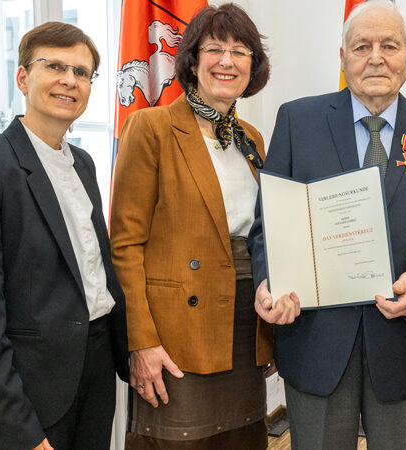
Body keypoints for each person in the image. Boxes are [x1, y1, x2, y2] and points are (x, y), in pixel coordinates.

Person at [248, 1, 406, 448]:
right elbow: (268, 227)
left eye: (389, 45)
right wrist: (268, 283)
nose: (375, 57)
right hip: (314, 341)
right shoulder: (298, 121)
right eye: (362, 46)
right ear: (342, 57)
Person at [0, 21, 129, 450]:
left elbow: (97, 271)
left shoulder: (83, 164)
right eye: (55, 66)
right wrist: (17, 427)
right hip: (29, 388)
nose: (69, 80)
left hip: (95, 368)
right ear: (23, 77)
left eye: (82, 72)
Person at [109, 4, 272, 449]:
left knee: (240, 439)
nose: (227, 61)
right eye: (214, 48)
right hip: (176, 331)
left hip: (244, 320)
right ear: (192, 59)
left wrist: (273, 333)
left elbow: (265, 239)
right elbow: (124, 245)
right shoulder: (150, 127)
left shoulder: (251, 138)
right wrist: (140, 342)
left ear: (253, 67)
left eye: (241, 52)